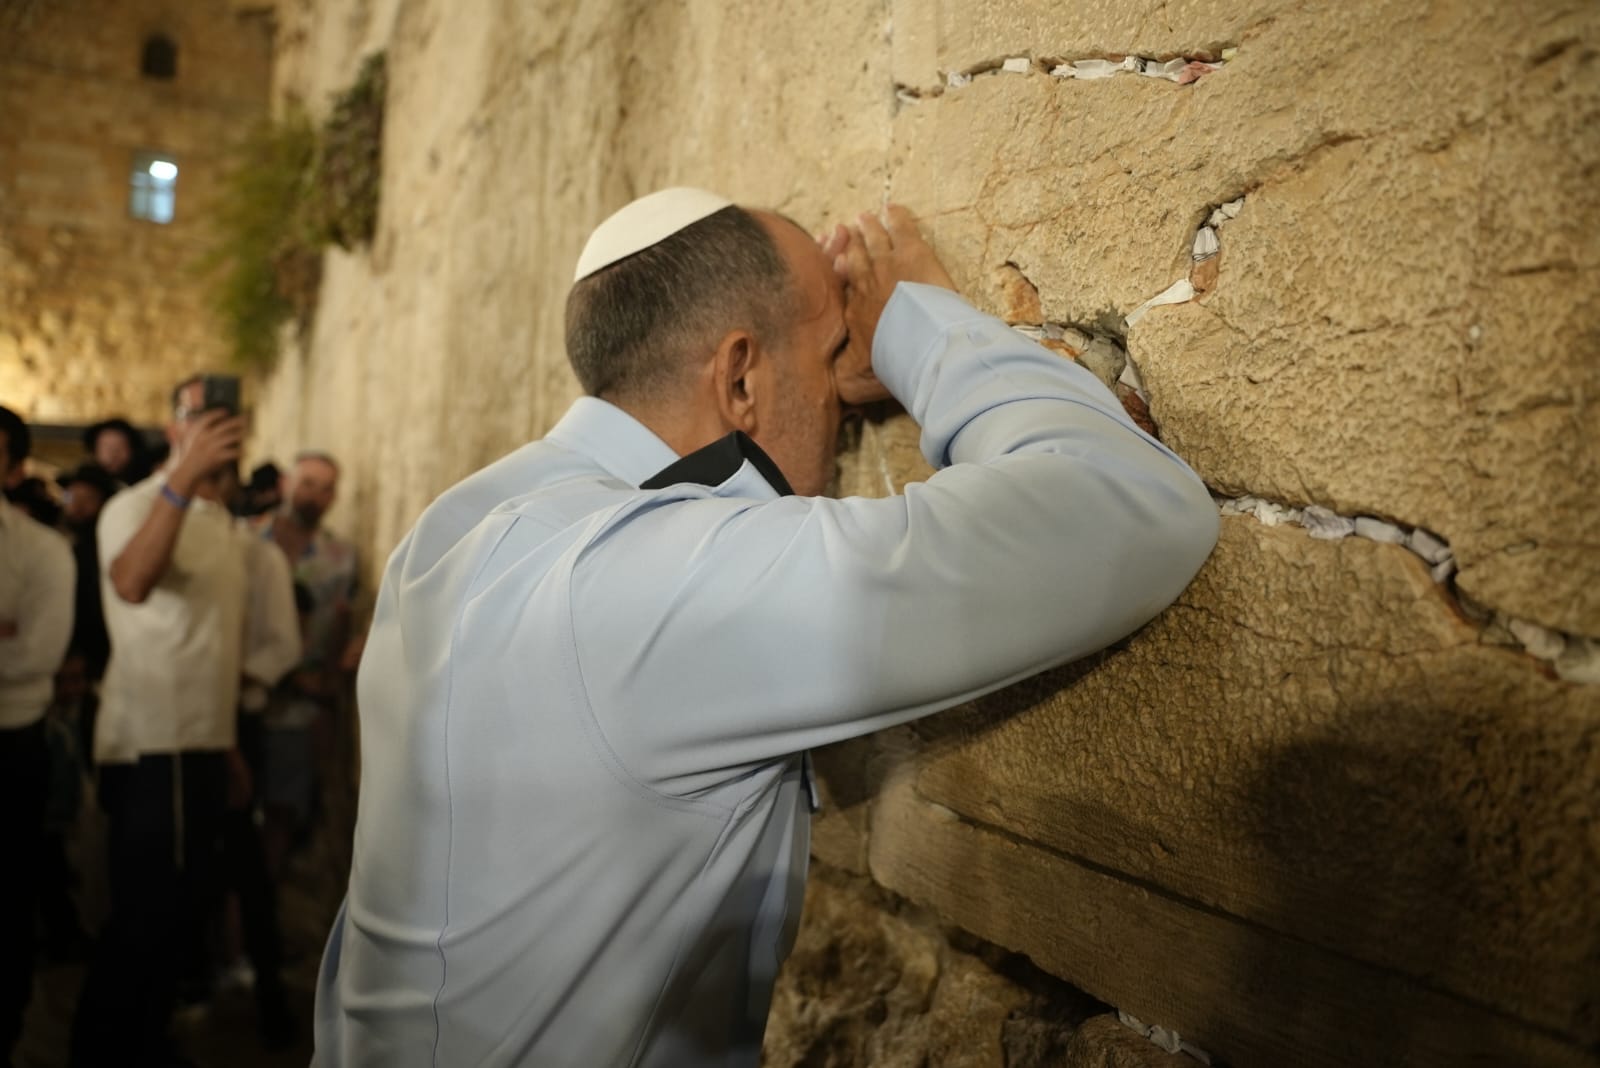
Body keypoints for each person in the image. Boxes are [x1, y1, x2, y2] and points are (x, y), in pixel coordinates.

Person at [312, 192, 1219, 1067]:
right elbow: (1128, 507)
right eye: (832, 356)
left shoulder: (457, 532)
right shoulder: (646, 585)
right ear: (739, 376)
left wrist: (806, 368)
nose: (844, 391)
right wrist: (918, 328)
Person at [69, 378, 257, 1067]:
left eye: (225, 421)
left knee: (181, 916)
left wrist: (229, 744)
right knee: (142, 919)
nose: (212, 431)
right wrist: (180, 479)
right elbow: (130, 582)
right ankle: (98, 1052)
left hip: (202, 747)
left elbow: (212, 646)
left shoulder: (223, 527)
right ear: (172, 430)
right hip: (152, 747)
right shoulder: (135, 506)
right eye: (196, 420)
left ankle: (146, 1042)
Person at [0, 405, 76, 1068]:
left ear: (13, 469)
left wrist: (14, 642)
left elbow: (36, 654)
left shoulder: (41, 551)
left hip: (11, 742)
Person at [256, 451, 357, 873]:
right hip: (235, 700)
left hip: (299, 709)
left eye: (326, 487)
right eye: (308, 482)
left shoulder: (341, 557)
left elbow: (345, 627)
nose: (315, 494)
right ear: (285, 485)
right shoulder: (243, 539)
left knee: (282, 815)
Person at [58, 463, 119, 681]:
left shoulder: (100, 547)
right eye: (71, 496)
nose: (77, 506)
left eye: (88, 499)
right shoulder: (53, 537)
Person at [82, 416, 152, 487]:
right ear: (94, 451)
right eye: (107, 447)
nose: (114, 454)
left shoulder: (145, 482)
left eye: (120, 447)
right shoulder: (83, 483)